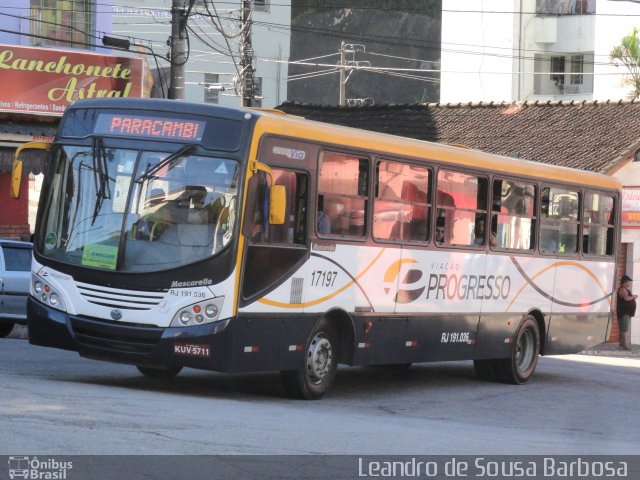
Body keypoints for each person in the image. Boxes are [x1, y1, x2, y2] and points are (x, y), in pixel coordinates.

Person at [616, 275, 636, 351]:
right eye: (628, 282)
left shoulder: (625, 289)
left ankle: (622, 344)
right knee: (625, 329)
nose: (629, 284)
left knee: (622, 328)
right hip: (624, 313)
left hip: (626, 312)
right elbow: (626, 298)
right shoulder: (622, 290)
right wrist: (634, 296)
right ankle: (626, 346)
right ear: (624, 282)